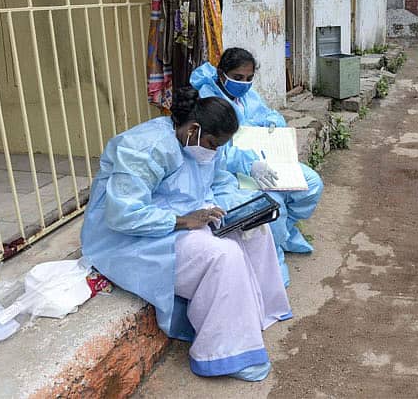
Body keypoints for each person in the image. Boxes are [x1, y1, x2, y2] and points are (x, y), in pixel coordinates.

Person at [81, 87, 291, 382]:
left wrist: (233, 210)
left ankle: (257, 313)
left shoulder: (203, 145)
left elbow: (220, 183)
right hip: (133, 236)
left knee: (253, 229)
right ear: (193, 129)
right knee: (222, 256)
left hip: (187, 215)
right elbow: (123, 214)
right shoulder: (146, 148)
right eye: (213, 144)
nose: (216, 151)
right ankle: (223, 352)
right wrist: (182, 221)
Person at [191, 48, 324, 286]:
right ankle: (275, 261)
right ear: (222, 74)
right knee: (273, 203)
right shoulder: (209, 99)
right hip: (233, 172)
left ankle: (285, 234)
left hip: (268, 158)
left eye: (249, 78)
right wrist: (250, 165)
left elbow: (267, 113)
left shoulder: (247, 96)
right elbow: (218, 150)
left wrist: (274, 122)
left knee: (311, 184)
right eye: (238, 78)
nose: (244, 83)